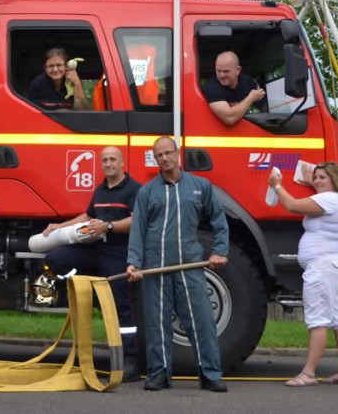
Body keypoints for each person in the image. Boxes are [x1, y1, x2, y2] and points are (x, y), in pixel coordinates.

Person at [126, 135, 229, 392]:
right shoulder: (147, 191)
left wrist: (219, 251)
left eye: (168, 153)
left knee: (201, 319)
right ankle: (158, 373)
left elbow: (219, 219)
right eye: (159, 155)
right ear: (156, 159)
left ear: (177, 152)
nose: (164, 158)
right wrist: (134, 263)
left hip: (189, 265)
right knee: (157, 322)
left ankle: (210, 374)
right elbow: (137, 228)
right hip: (155, 266)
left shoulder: (200, 186)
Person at [41, 146, 142, 382]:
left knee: (121, 307)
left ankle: (131, 361)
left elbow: (137, 221)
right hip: (96, 248)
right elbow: (87, 217)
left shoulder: (134, 189)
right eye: (104, 160)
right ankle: (93, 293)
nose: (108, 164)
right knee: (56, 259)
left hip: (119, 252)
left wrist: (108, 226)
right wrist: (60, 227)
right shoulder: (101, 190)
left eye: (112, 160)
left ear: (122, 162)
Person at [268, 162, 338, 387]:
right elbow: (322, 199)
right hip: (333, 264)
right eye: (315, 177)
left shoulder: (328, 200)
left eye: (322, 177)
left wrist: (277, 186)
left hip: (322, 267)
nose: (317, 181)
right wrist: (314, 183)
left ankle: (308, 373)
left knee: (317, 321)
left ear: (335, 179)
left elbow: (292, 206)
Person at [202, 51, 266, 125]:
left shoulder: (247, 81)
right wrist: (250, 98)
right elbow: (229, 118)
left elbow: (264, 105)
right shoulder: (211, 87)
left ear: (238, 70)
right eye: (218, 71)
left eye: (226, 71)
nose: (221, 75)